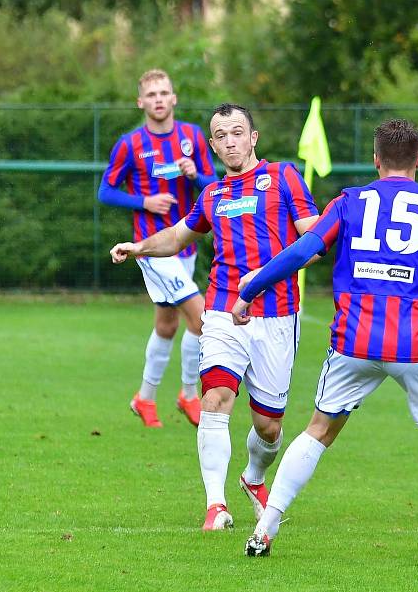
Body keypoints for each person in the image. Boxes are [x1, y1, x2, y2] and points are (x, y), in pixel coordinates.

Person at [232, 119, 418, 558]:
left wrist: (250, 290)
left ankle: (266, 526)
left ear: (376, 160)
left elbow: (301, 251)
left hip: (353, 341)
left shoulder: (349, 201)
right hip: (415, 345)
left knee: (318, 430)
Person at [109, 103, 320, 531]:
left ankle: (253, 478)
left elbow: (313, 238)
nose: (230, 142)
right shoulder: (212, 195)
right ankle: (215, 505)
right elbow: (178, 235)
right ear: (212, 145)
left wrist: (278, 268)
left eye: (237, 133)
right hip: (222, 308)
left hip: (277, 314)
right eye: (221, 136)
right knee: (214, 400)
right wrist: (140, 246)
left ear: (254, 137)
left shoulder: (283, 178)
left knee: (269, 426)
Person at [99, 69, 216, 428]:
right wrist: (144, 201)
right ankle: (189, 394)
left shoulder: (192, 137)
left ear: (174, 98)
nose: (159, 99)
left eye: (164, 93)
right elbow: (106, 191)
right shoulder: (130, 143)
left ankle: (144, 399)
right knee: (202, 318)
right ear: (141, 102)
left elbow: (215, 185)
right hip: (151, 249)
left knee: (167, 326)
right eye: (151, 95)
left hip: (184, 244)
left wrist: (194, 174)